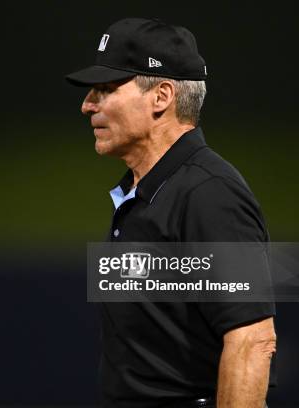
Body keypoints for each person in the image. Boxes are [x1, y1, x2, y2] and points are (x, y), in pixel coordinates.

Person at [65, 18, 276, 408]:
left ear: (161, 96)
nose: (87, 104)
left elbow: (252, 339)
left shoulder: (208, 192)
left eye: (106, 89)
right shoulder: (144, 190)